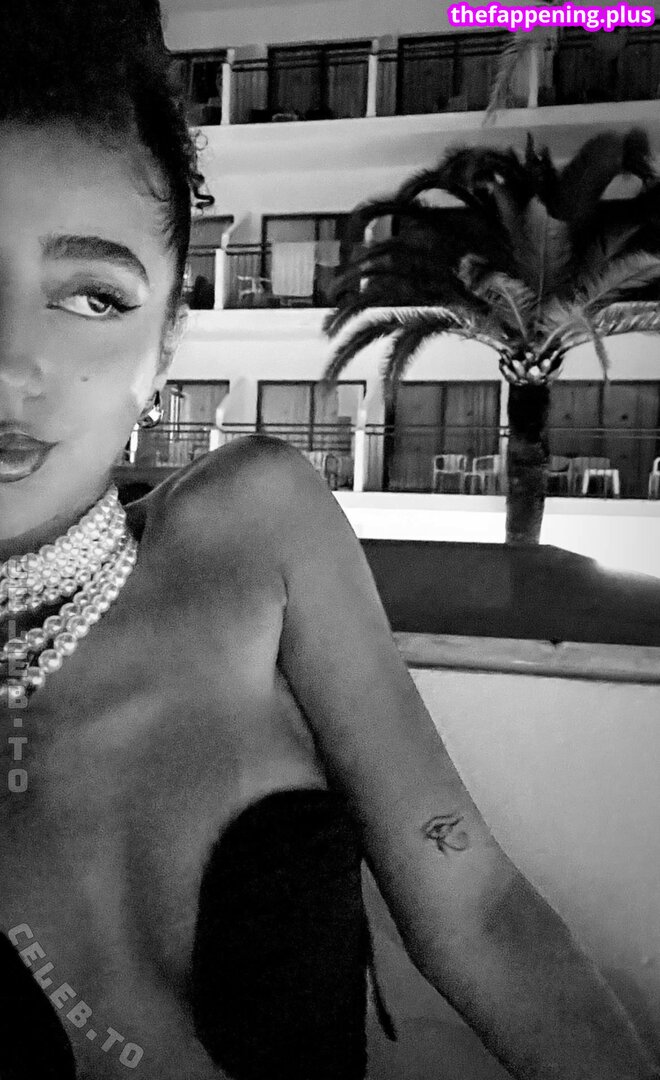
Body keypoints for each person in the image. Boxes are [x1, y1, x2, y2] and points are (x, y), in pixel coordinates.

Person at [0, 2, 658, 1078]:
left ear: (166, 345)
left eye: (93, 296)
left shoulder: (251, 531)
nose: (12, 361)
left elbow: (476, 908)